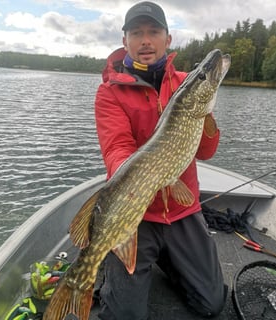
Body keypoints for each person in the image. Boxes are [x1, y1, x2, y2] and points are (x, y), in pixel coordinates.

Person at [94, 2, 227, 319]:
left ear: (167, 39)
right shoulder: (110, 92)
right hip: (137, 215)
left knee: (212, 303)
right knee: (125, 314)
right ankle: (112, 267)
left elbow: (206, 152)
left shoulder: (186, 83)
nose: (145, 41)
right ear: (125, 40)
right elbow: (116, 148)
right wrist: (139, 182)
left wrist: (205, 114)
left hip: (183, 210)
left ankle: (167, 257)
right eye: (137, 33)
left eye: (153, 32)